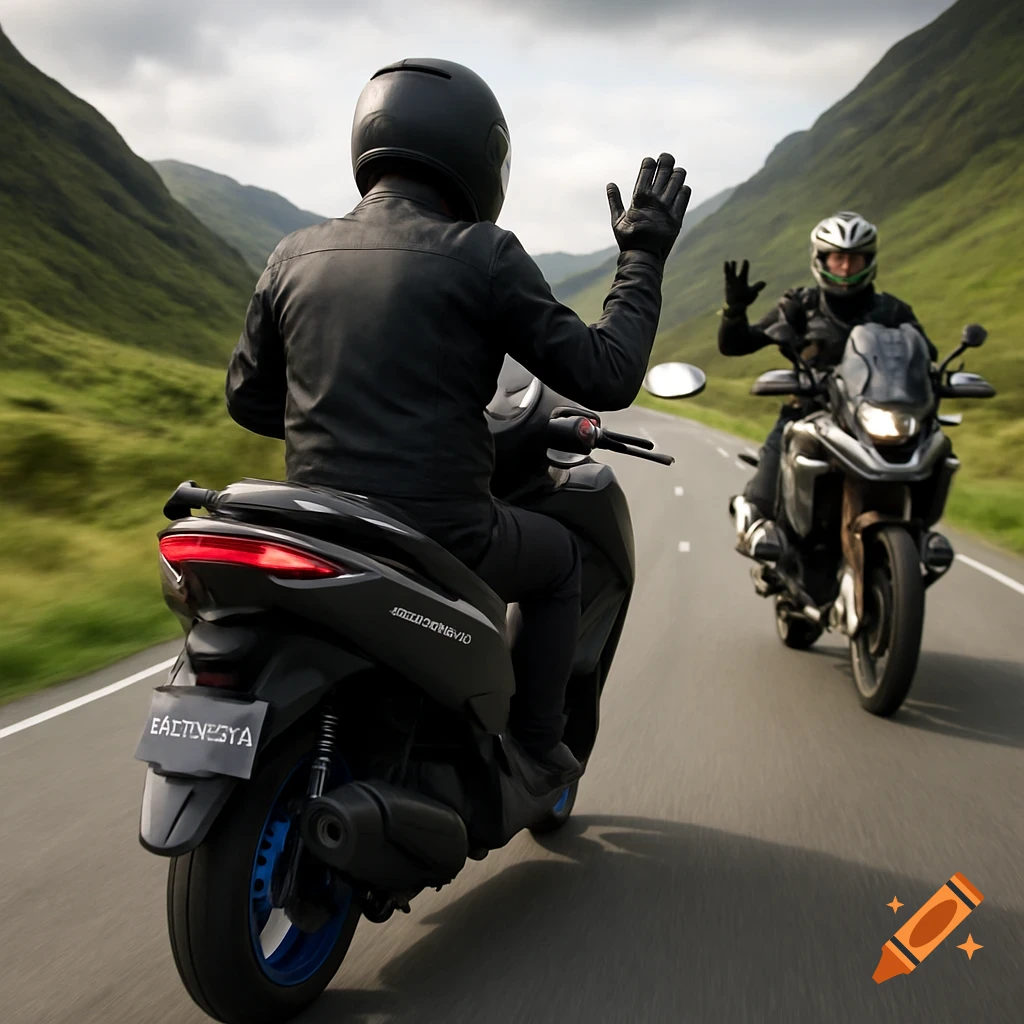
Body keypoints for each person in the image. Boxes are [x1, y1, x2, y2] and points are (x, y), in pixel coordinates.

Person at [224, 58, 691, 799]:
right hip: (439, 527)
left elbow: (249, 400)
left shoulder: (292, 253)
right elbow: (605, 374)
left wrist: (346, 411)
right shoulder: (483, 255)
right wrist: (642, 256)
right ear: (481, 156)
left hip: (315, 521)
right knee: (560, 559)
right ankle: (538, 750)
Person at [718, 211, 937, 554]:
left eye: (854, 259)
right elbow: (735, 345)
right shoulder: (800, 306)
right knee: (763, 492)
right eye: (838, 259)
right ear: (821, 260)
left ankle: (921, 535)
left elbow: (925, 358)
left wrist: (939, 380)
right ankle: (761, 527)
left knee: (935, 444)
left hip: (869, 420)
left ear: (870, 260)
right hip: (807, 413)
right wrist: (734, 311)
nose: (846, 269)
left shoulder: (893, 312)